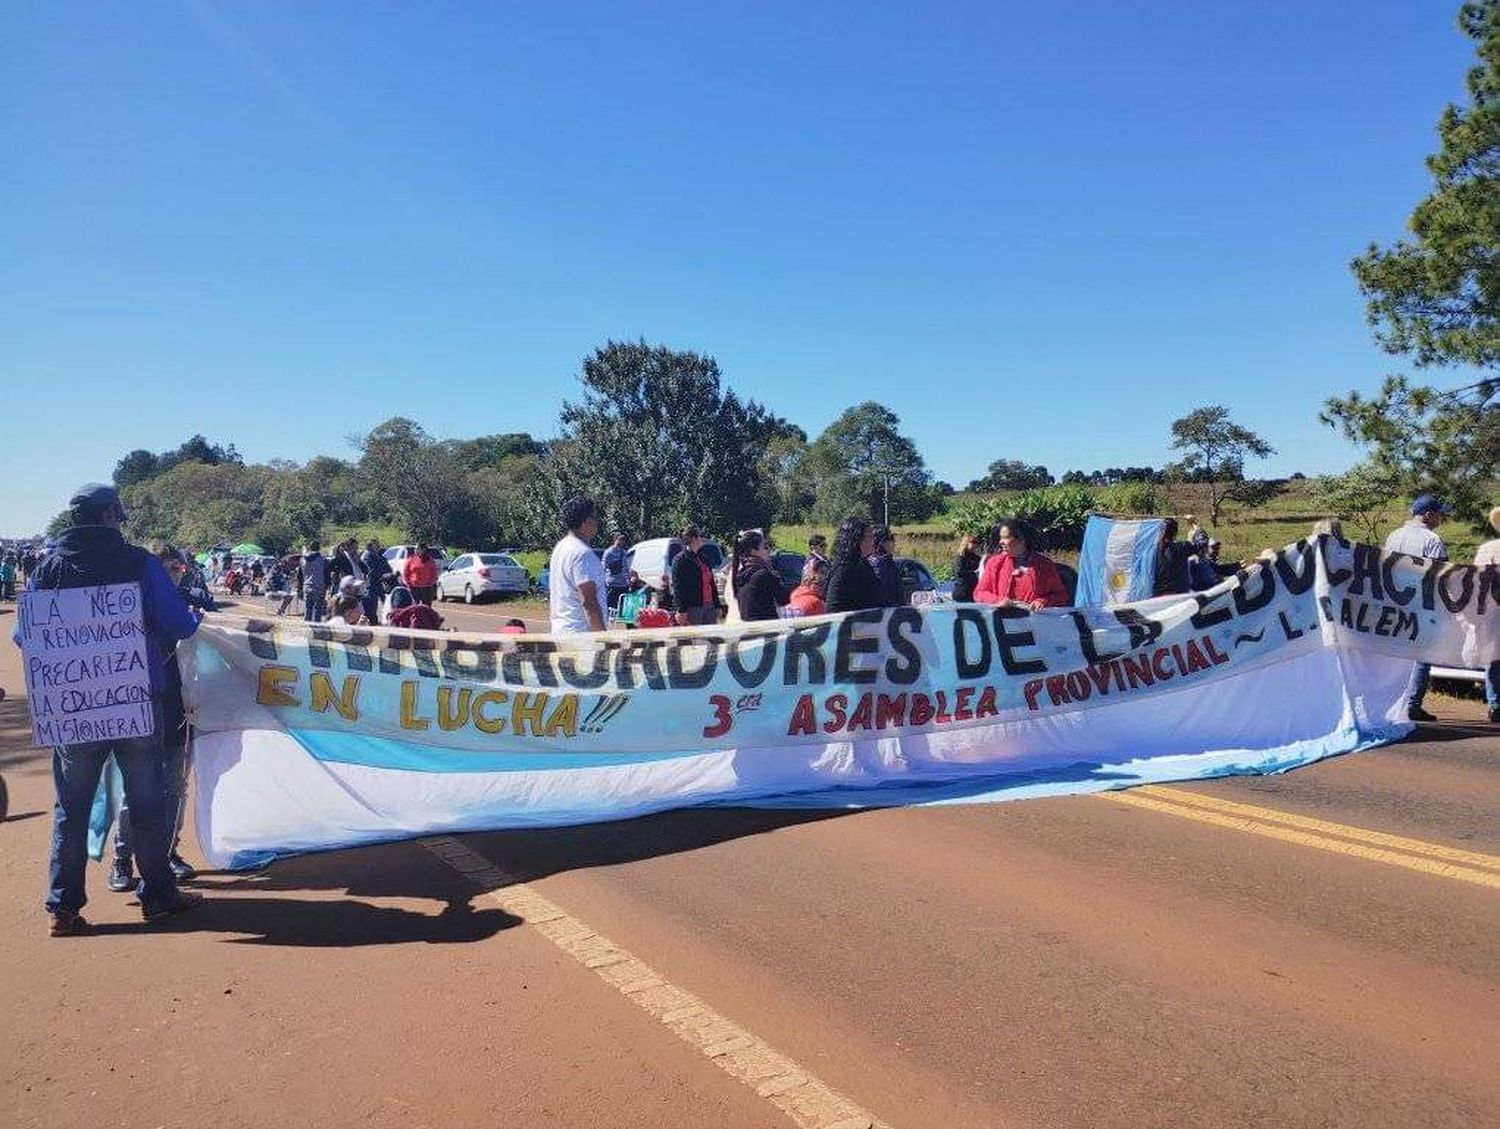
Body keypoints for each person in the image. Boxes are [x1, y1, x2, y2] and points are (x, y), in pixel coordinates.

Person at [15, 484, 202, 935]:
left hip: (74, 712)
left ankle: (63, 909)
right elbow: (179, 624)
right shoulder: (139, 563)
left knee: (71, 808)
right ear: (110, 514)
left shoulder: (48, 567)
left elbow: (26, 636)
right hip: (135, 703)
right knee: (147, 803)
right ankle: (158, 897)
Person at [109, 544, 198, 894]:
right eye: (165, 570)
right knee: (138, 792)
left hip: (182, 713)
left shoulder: (196, 606)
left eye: (178, 569)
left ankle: (166, 853)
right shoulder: (133, 612)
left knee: (175, 788)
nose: (173, 575)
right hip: (141, 713)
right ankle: (122, 857)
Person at [1385, 494, 1451, 722]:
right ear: (1429, 514)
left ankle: (1391, 703)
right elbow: (1440, 575)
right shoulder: (1432, 539)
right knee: (1421, 655)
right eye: (1440, 513)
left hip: (1393, 602)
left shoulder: (1393, 536)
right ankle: (1412, 704)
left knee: (1396, 655)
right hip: (1421, 603)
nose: (1442, 518)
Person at [974, 518, 1069, 610]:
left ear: (1021, 540)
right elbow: (979, 593)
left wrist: (1043, 601)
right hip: (1003, 622)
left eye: (1006, 538)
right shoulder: (994, 563)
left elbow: (1061, 595)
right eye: (1000, 538)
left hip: (1034, 623)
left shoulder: (1045, 565)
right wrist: (998, 601)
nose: (1000, 542)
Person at [548, 496, 609, 635]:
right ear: (586, 522)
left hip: (561, 631)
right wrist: (602, 638)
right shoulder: (582, 553)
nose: (597, 522)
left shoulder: (561, 547)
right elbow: (589, 601)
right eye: (595, 517)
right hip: (581, 635)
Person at [824, 517, 884, 613]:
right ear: (857, 539)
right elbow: (832, 609)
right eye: (870, 536)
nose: (874, 540)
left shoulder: (865, 564)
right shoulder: (843, 569)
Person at [1475, 505, 1500, 725]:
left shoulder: (1488, 548)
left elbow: (1475, 580)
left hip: (1492, 610)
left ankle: (1495, 703)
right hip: (1494, 609)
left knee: (1493, 657)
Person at [731, 529, 789, 621]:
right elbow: (784, 599)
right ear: (753, 551)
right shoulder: (763, 575)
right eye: (765, 547)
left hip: (750, 629)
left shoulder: (742, 573)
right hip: (766, 630)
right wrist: (775, 575)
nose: (769, 550)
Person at [669, 525, 719, 626]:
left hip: (709, 606)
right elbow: (678, 588)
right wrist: (681, 610)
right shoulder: (680, 560)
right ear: (693, 539)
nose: (703, 538)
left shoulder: (704, 558)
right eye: (700, 536)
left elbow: (711, 583)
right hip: (693, 608)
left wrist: (717, 605)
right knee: (696, 640)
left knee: (712, 638)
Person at [1153, 518, 1193, 597]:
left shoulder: (1152, 551)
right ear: (1175, 532)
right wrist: (1194, 524)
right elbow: (1199, 543)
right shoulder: (1182, 547)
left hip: (1157, 596)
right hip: (1179, 596)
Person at [867, 526, 903, 607]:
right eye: (890, 538)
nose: (894, 541)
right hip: (884, 613)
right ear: (881, 542)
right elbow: (883, 594)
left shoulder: (888, 561)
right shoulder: (877, 564)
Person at [359, 539, 392, 624]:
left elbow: (387, 568)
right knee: (370, 608)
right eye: (376, 545)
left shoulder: (377, 556)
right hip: (371, 585)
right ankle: (372, 623)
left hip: (379, 584)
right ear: (370, 546)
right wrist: (382, 572)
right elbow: (371, 571)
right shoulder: (367, 556)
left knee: (386, 604)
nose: (378, 547)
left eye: (378, 545)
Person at [296, 541, 329, 622]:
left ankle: (307, 628)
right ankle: (317, 628)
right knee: (318, 608)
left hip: (307, 585)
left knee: (308, 607)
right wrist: (327, 586)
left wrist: (300, 586)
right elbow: (327, 574)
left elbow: (299, 575)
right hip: (319, 586)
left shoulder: (302, 559)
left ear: (310, 548)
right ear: (319, 548)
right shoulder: (323, 559)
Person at [950, 533, 982, 603]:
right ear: (966, 543)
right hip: (962, 592)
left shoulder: (976, 558)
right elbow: (958, 572)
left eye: (977, 543)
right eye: (973, 542)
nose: (976, 545)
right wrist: (974, 573)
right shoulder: (960, 557)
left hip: (974, 592)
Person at [603, 534, 630, 612]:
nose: (622, 542)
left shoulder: (624, 553)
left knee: (623, 606)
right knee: (610, 605)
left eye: (624, 540)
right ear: (615, 540)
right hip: (612, 583)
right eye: (620, 539)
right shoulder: (609, 552)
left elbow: (626, 568)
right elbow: (603, 566)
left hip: (623, 584)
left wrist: (629, 579)